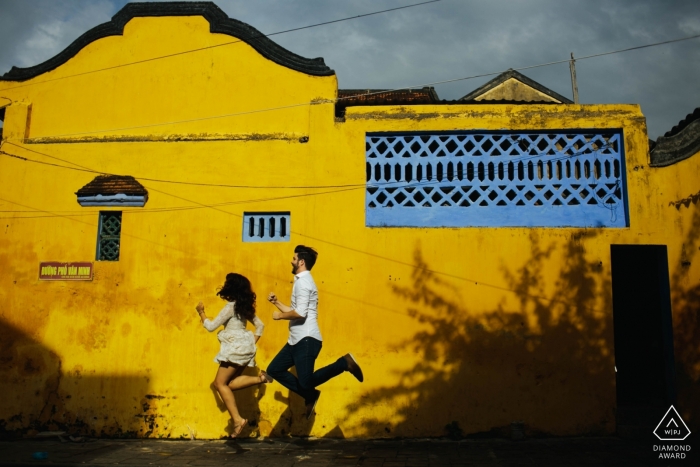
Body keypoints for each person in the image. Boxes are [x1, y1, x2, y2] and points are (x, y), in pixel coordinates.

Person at [266, 245, 363, 419]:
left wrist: (279, 316)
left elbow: (300, 314)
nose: (291, 261)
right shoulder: (301, 281)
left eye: (294, 258)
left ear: (301, 262)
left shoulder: (303, 283)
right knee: (274, 369)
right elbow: (296, 310)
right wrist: (277, 302)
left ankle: (344, 363)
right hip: (295, 340)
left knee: (306, 381)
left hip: (307, 339)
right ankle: (310, 395)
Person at [196, 273, 273, 438]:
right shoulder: (244, 308)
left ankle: (238, 420)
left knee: (219, 383)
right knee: (228, 384)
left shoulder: (230, 307)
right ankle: (260, 379)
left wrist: (201, 312)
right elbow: (260, 325)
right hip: (246, 349)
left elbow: (210, 327)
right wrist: (250, 342)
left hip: (233, 350)